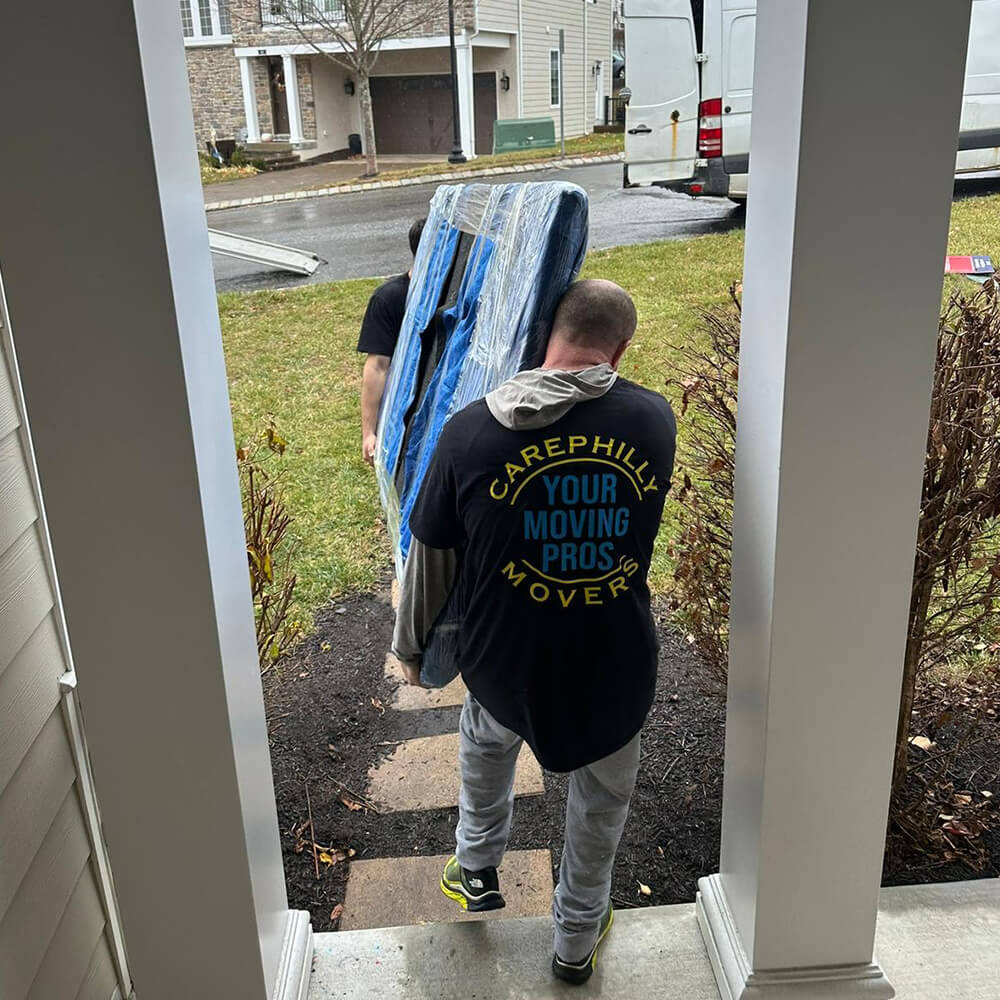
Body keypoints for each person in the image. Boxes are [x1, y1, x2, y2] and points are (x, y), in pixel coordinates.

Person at [391, 279, 676, 985]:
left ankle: (477, 867)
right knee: (602, 797)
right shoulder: (653, 422)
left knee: (486, 742)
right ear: (623, 348)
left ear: (543, 332)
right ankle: (575, 942)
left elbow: (430, 555)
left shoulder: (468, 431)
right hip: (612, 661)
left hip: (504, 659)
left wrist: (410, 648)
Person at [358, 217, 425, 465]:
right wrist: (369, 433)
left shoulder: (459, 292)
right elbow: (377, 366)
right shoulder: (389, 299)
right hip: (406, 412)